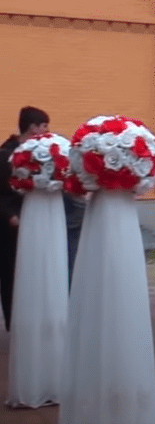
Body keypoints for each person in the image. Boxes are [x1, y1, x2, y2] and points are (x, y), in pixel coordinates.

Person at [0, 106, 49, 331]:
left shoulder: (40, 152)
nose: (47, 131)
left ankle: (31, 321)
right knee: (11, 274)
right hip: (11, 225)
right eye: (44, 126)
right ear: (33, 127)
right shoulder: (6, 155)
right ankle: (15, 325)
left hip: (34, 219)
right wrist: (10, 215)